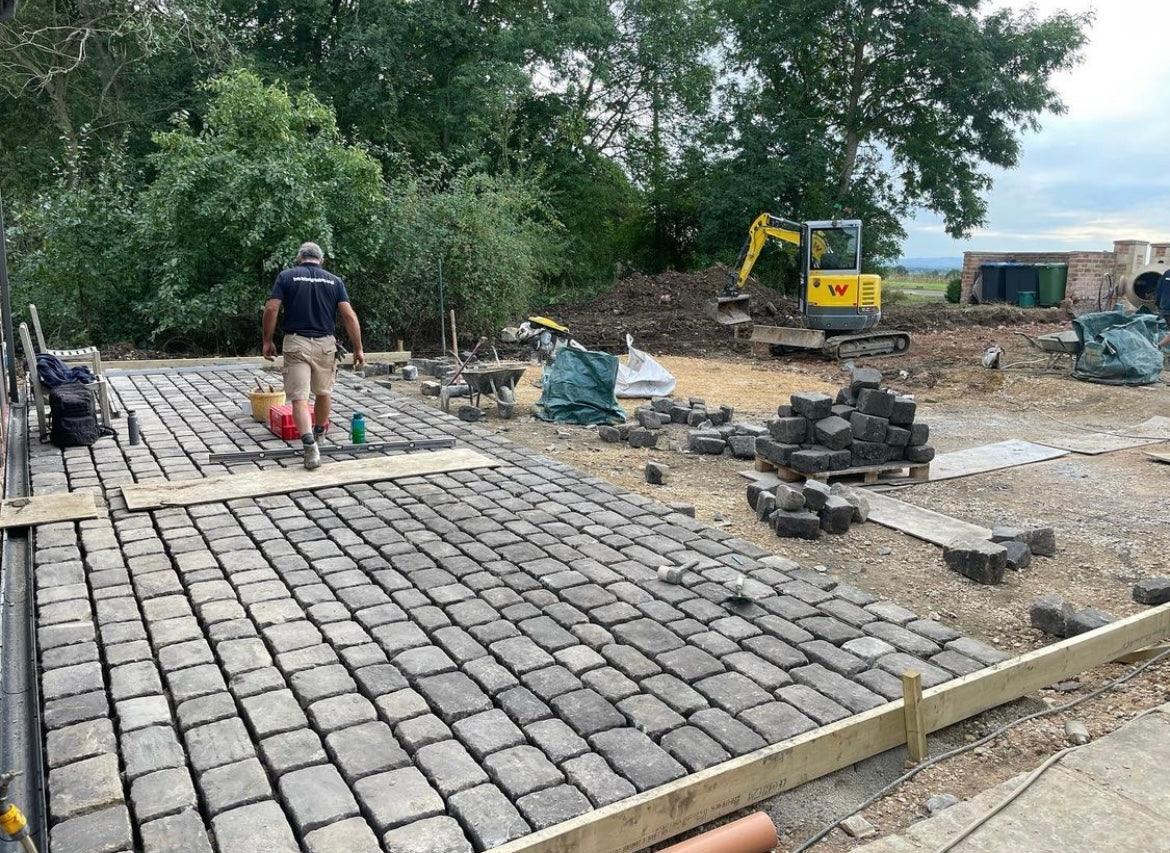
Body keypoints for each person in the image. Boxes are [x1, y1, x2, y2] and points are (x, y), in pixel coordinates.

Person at [262, 241, 365, 469]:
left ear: (299, 258)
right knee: (323, 392)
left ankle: (309, 448)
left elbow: (271, 308)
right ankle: (319, 435)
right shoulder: (334, 281)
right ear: (321, 260)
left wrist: (267, 340)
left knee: (299, 398)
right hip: (325, 345)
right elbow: (349, 316)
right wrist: (358, 348)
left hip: (296, 343)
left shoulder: (286, 276)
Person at [1157, 268, 1170, 349]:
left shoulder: (1167, 273)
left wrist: (1159, 305)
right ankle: (1157, 346)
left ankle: (1158, 346)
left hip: (1165, 307)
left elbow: (1159, 290)